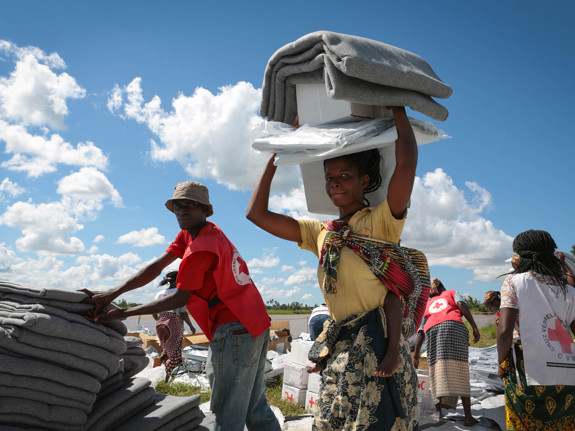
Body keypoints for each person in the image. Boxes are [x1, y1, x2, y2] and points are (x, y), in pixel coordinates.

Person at [247, 106, 420, 430]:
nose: (335, 183)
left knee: (375, 423)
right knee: (330, 423)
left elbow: (406, 163)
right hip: (341, 346)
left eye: (344, 176)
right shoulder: (320, 232)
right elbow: (256, 214)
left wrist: (396, 106)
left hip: (379, 345)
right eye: (329, 178)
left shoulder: (380, 222)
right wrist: (279, 151)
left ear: (364, 180)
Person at [85, 180, 281, 431]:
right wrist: (115, 292)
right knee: (254, 405)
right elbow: (156, 267)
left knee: (228, 408)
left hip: (235, 328)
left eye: (190, 206)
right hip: (253, 322)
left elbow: (178, 299)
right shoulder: (195, 233)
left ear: (205, 210)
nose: (182, 211)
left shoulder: (201, 248)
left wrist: (123, 312)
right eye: (178, 206)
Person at [497, 230, 575, 430]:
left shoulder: (514, 282)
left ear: (520, 256)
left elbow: (505, 331)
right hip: (566, 368)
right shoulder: (568, 289)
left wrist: (501, 362)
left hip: (527, 368)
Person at [412, 277, 480, 426]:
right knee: (460, 369)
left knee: (436, 370)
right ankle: (468, 417)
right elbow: (461, 304)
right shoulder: (452, 293)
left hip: (433, 332)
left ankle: (438, 413)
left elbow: (421, 332)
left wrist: (416, 356)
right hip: (453, 327)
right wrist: (474, 326)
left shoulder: (428, 304)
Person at [152, 270, 196, 381]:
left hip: (160, 324)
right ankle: (167, 378)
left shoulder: (160, 294)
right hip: (174, 323)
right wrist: (191, 326)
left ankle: (159, 368)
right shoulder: (178, 293)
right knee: (175, 352)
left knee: (166, 349)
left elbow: (153, 310)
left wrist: (160, 320)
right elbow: (183, 312)